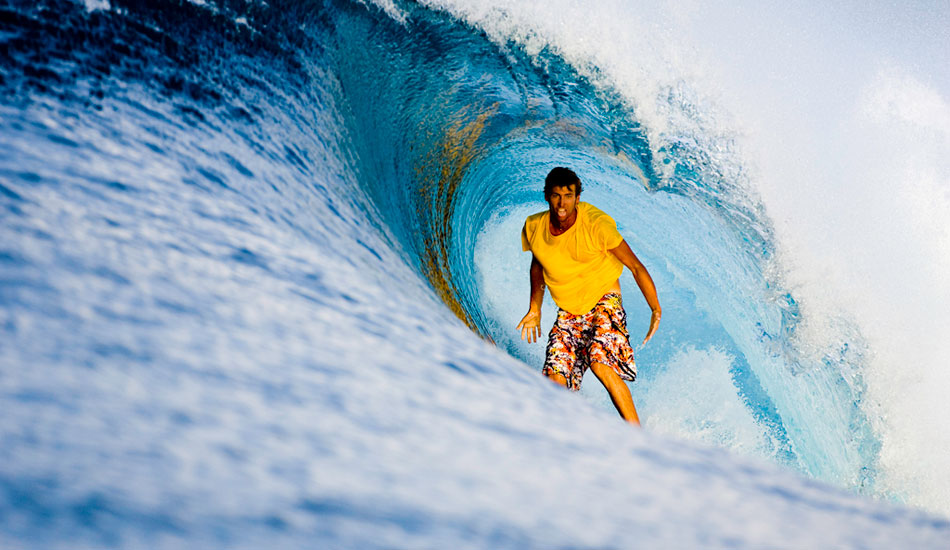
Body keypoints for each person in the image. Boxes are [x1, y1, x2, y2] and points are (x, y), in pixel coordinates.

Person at [517, 167, 661, 425]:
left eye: (568, 195)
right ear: (546, 196)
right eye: (556, 195)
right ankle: (559, 437)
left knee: (600, 360)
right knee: (555, 377)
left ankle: (637, 437)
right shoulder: (534, 227)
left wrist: (655, 309)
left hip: (604, 300)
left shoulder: (597, 225)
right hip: (569, 311)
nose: (562, 203)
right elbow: (537, 265)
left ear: (578, 198)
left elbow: (636, 267)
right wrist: (535, 308)